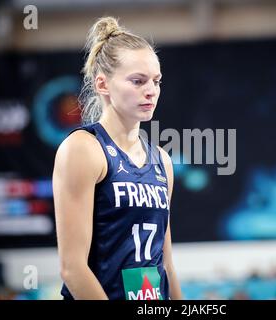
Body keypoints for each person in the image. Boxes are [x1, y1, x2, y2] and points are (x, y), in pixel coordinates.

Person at [52, 16, 183, 300]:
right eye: (137, 81)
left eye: (156, 81)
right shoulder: (83, 149)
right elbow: (72, 269)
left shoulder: (161, 160)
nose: (151, 90)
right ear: (103, 84)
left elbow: (166, 264)